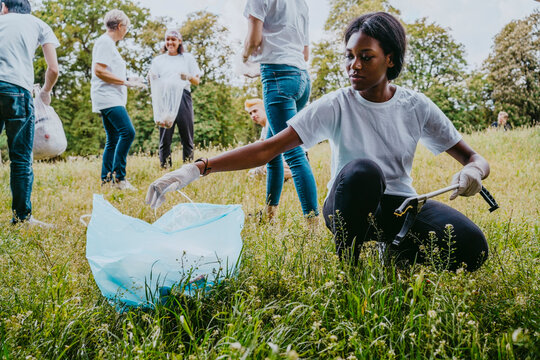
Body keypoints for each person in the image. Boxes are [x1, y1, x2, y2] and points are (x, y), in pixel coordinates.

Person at [146, 12, 490, 272]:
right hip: (348, 204)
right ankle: (350, 262)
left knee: (474, 249)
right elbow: (268, 148)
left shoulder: (416, 105)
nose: (353, 65)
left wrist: (474, 170)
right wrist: (197, 168)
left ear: (391, 59)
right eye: (349, 56)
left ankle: (396, 251)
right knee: (363, 172)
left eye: (365, 56)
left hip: (400, 207)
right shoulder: (336, 103)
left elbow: (476, 158)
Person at [241, 0, 318, 220]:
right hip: (301, 78)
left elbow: (254, 40)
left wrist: (244, 58)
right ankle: (269, 215)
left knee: (293, 153)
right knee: (273, 151)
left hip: (277, 76)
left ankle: (312, 228)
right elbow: (304, 54)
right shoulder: (301, 4)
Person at [0, 0, 59, 226]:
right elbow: (53, 69)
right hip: (18, 90)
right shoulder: (39, 24)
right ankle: (22, 218)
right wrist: (45, 92)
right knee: (21, 159)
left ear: (4, 6)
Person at [91, 9, 143, 190]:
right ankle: (120, 178)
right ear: (120, 26)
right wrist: (125, 83)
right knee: (128, 132)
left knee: (112, 139)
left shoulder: (108, 44)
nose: (126, 30)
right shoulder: (105, 42)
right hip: (108, 98)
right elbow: (99, 70)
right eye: (126, 27)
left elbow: (108, 70)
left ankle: (106, 181)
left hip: (109, 97)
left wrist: (129, 81)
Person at [149, 29, 201, 168]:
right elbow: (153, 80)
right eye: (168, 39)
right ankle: (165, 168)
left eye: (173, 39)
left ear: (179, 41)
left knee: (187, 135)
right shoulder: (159, 60)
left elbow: (197, 80)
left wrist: (189, 77)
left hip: (183, 97)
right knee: (165, 137)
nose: (170, 42)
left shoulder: (187, 58)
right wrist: (152, 78)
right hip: (165, 99)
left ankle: (189, 168)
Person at [244, 98, 292, 180]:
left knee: (268, 168)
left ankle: (297, 174)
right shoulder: (264, 128)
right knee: (252, 173)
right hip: (280, 158)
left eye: (255, 111)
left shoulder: (272, 123)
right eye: (250, 113)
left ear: (265, 110)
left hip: (292, 157)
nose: (252, 115)